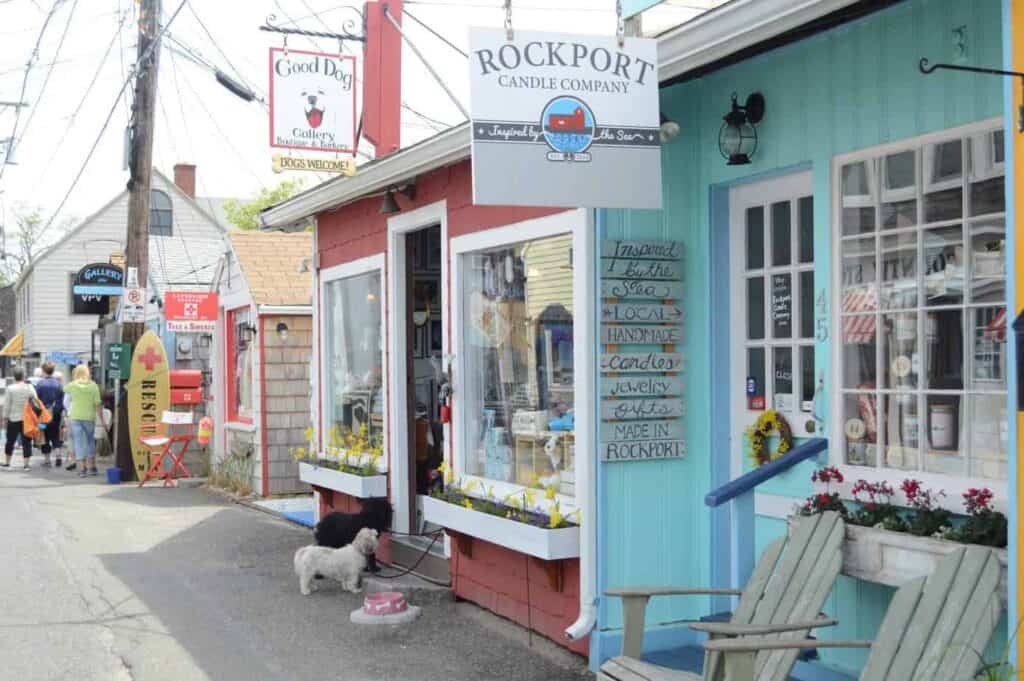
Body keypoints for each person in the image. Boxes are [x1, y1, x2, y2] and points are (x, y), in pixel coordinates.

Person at [65, 365, 106, 478]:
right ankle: (92, 467)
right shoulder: (93, 386)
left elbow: (64, 388)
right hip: (89, 417)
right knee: (90, 441)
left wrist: (76, 380)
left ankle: (81, 469)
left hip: (76, 417)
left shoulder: (73, 385)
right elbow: (97, 404)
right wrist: (102, 420)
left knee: (78, 442)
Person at [2, 366, 38, 470]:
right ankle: (26, 465)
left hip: (13, 418)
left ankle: (8, 462)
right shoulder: (29, 387)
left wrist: (4, 418)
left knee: (10, 441)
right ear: (23, 376)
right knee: (27, 441)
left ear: (14, 376)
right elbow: (36, 399)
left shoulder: (10, 388)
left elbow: (7, 405)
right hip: (27, 419)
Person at [35, 362, 65, 468]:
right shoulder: (59, 384)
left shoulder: (40, 384)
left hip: (43, 416)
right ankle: (58, 455)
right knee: (55, 435)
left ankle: (47, 460)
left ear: (43, 371)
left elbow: (36, 401)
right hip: (55, 415)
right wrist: (58, 410)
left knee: (44, 436)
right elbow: (62, 401)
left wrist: (37, 413)